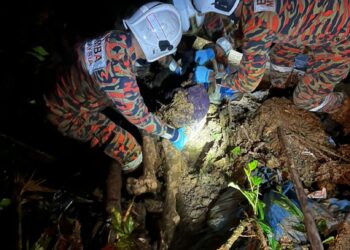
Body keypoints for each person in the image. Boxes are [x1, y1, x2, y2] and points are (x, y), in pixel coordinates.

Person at [44, 1, 187, 175]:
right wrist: (173, 134)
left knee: (131, 106)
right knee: (130, 150)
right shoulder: (121, 79)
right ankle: (127, 182)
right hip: (65, 114)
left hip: (64, 86)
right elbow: (141, 118)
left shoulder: (115, 37)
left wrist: (171, 65)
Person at [192, 0, 350, 114]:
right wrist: (220, 47)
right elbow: (249, 28)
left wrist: (212, 77)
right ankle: (279, 90)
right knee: (279, 56)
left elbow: (247, 83)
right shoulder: (252, 8)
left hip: (341, 39)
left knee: (303, 99)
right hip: (318, 17)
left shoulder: (257, 20)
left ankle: (341, 103)